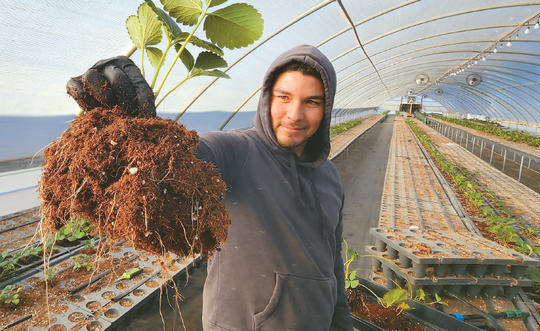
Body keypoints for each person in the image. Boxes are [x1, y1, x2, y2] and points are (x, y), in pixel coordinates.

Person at [68, 45, 353, 331]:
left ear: (326, 109)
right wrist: (138, 125)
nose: (295, 114)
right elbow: (187, 152)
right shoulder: (238, 151)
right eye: (284, 97)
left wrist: (340, 322)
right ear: (267, 98)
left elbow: (333, 264)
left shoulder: (329, 175)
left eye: (312, 102)